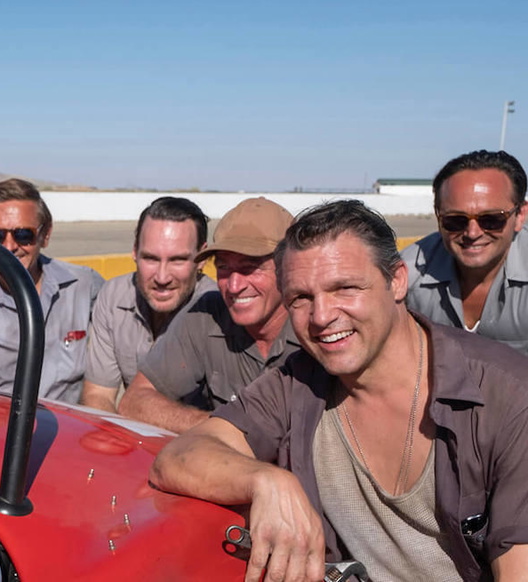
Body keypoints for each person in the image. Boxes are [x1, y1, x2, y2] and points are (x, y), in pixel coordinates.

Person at [151, 200, 528, 582]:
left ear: (397, 280)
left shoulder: (507, 396)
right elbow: (178, 457)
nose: (321, 316)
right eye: (301, 298)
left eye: (345, 288)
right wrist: (267, 480)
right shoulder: (299, 381)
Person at [118, 197, 299, 433]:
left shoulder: (316, 325)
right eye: (223, 267)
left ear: (289, 268)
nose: (234, 286)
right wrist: (229, 428)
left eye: (250, 268)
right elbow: (134, 402)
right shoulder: (207, 315)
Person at [0, 178, 105, 403]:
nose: (9, 246)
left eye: (23, 235)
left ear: (45, 235)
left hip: (64, 423)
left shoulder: (83, 285)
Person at [80, 196, 215, 412]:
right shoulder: (114, 296)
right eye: (151, 258)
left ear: (202, 258)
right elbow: (98, 395)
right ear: (134, 251)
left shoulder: (219, 313)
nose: (162, 277)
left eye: (177, 260)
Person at [402, 149, 528, 354]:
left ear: (520, 215)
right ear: (438, 216)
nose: (472, 233)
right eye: (455, 220)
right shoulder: (404, 276)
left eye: (491, 219)